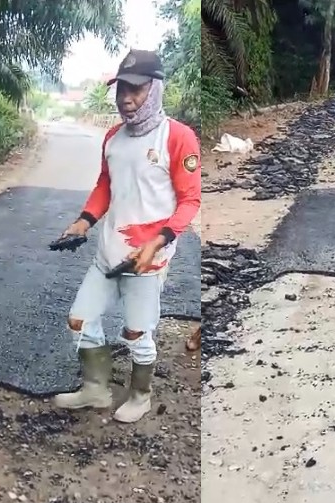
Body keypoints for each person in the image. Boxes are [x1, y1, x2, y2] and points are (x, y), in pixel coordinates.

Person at [55, 49, 202, 424]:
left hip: (149, 259)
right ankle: (96, 390)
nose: (126, 97)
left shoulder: (178, 137)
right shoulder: (113, 138)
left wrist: (158, 241)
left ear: (155, 89)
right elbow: (105, 186)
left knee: (136, 331)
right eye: (121, 88)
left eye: (135, 89)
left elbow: (190, 201)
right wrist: (84, 221)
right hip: (108, 253)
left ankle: (140, 394)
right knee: (79, 320)